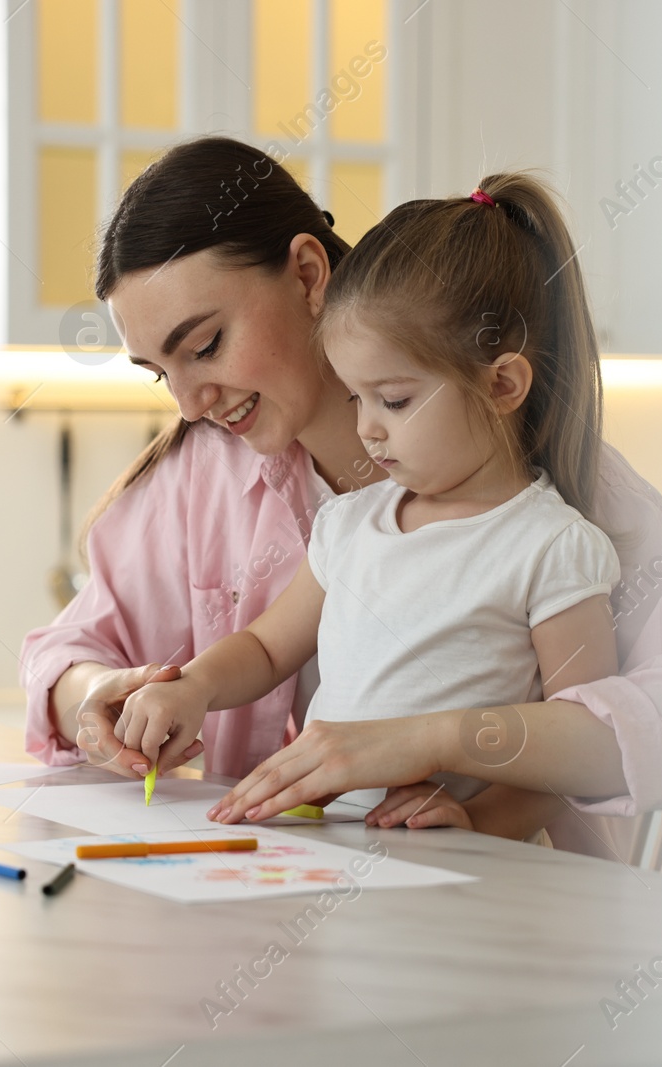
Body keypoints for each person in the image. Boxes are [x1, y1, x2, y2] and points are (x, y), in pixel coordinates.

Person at [21, 136, 662, 856]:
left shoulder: (558, 503)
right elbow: (74, 653)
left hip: (509, 904)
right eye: (160, 372)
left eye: (206, 346)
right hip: (304, 891)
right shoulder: (230, 480)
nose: (187, 404)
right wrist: (102, 699)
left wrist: (440, 743)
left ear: (310, 274)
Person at [112, 175, 622, 841]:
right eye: (358, 399)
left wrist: (479, 821)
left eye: (395, 399)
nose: (369, 429)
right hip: (343, 849)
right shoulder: (351, 526)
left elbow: (587, 744)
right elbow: (266, 648)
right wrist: (196, 687)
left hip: (464, 871)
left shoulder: (552, 545)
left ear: (501, 384)